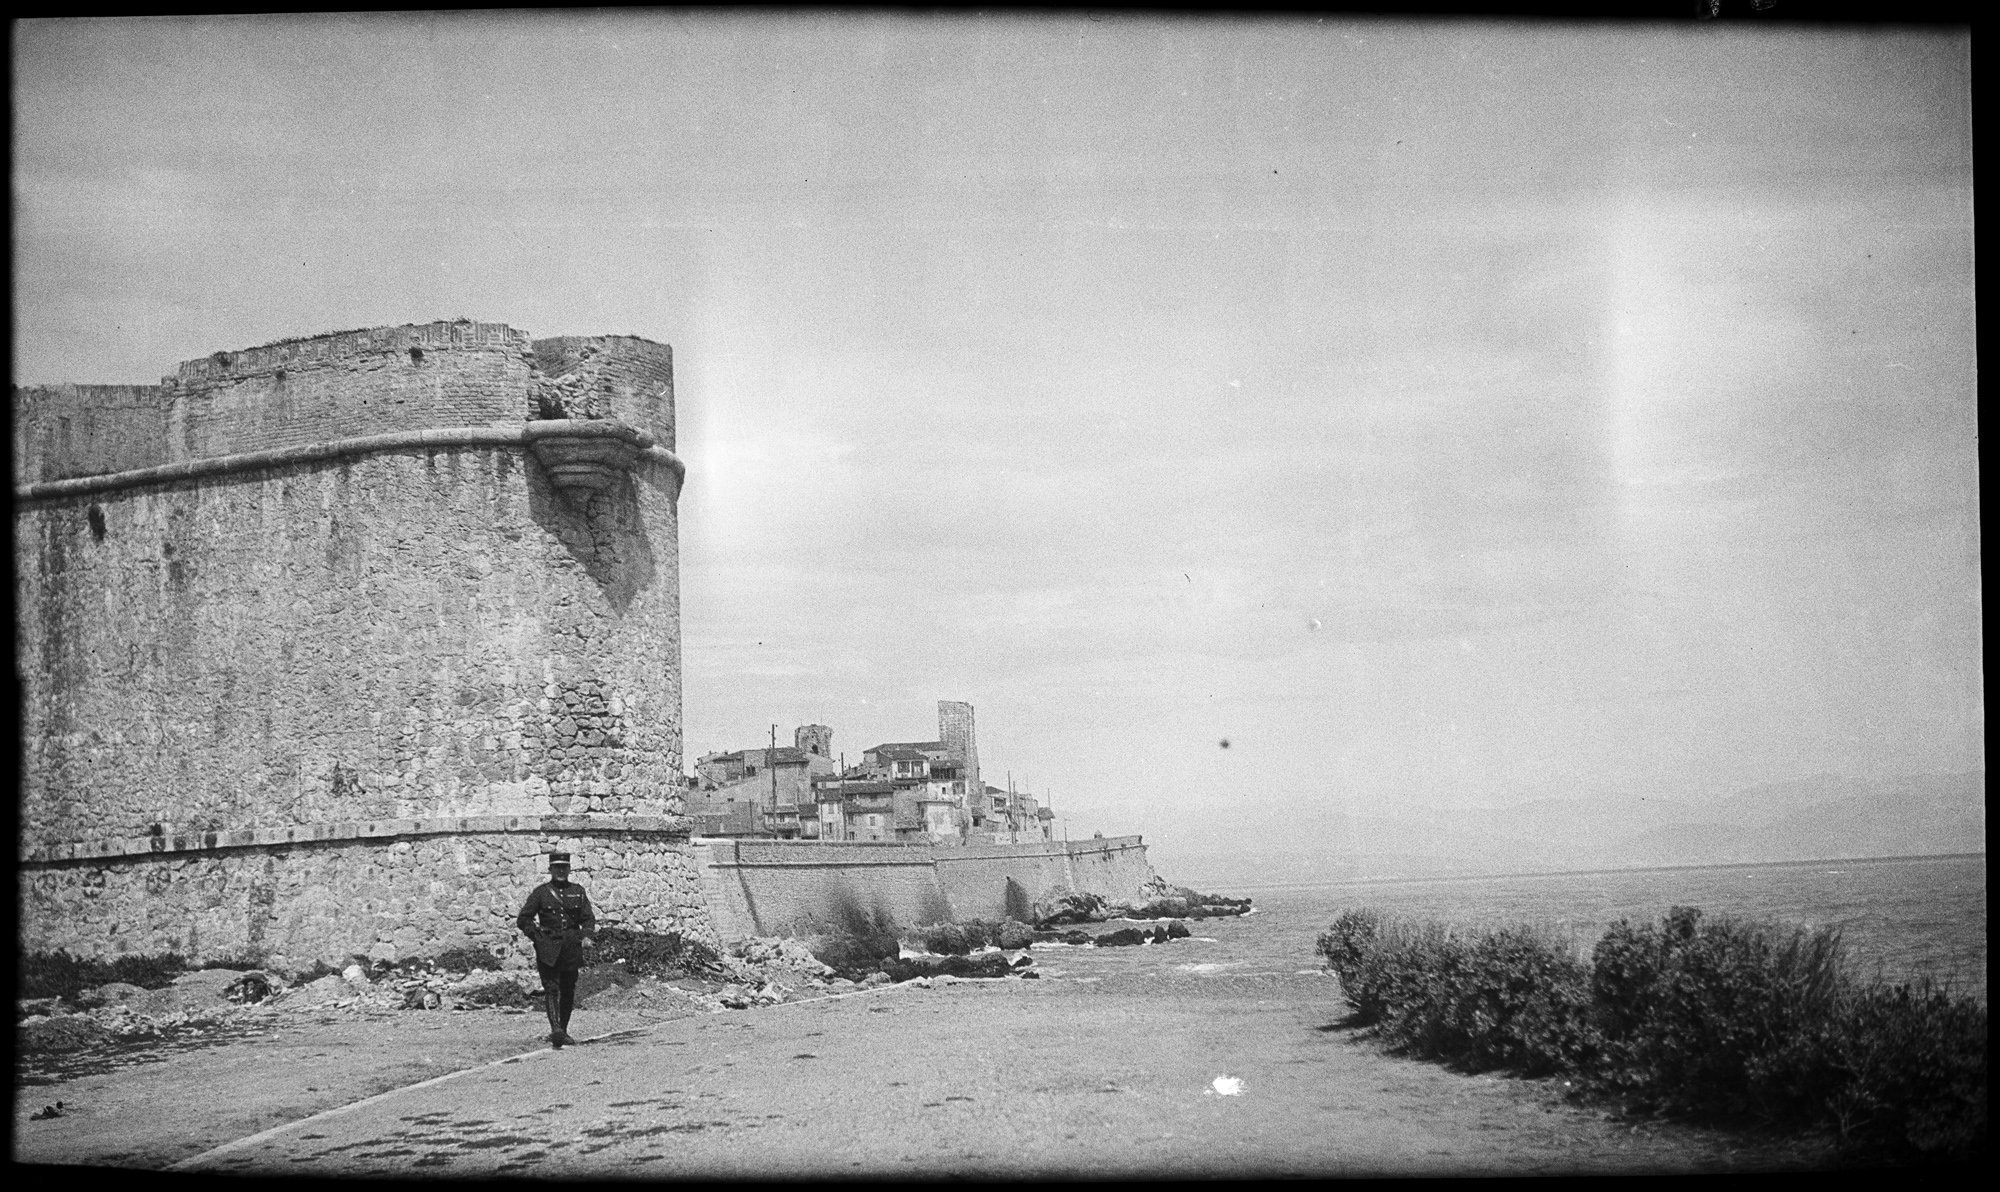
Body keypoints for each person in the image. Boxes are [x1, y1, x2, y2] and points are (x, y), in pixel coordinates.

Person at [515, 850, 596, 1048]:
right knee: (551, 988)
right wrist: (536, 936)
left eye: (564, 867)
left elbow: (588, 918)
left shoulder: (578, 891)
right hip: (548, 947)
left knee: (568, 989)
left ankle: (564, 1030)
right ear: (550, 869)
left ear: (569, 869)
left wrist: (586, 935)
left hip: (570, 945)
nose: (560, 871)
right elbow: (523, 919)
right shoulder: (541, 893)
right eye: (556, 867)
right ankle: (556, 1030)